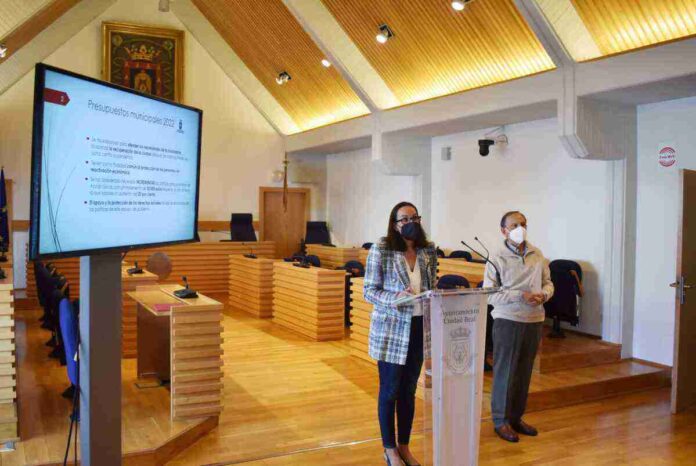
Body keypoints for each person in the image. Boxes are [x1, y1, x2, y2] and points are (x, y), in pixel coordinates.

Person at [364, 202, 438, 466]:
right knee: (390, 390)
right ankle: (389, 449)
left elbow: (431, 285)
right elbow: (369, 291)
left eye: (414, 217)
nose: (410, 222)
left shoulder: (428, 250)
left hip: (418, 328)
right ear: (394, 224)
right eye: (404, 219)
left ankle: (404, 446)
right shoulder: (382, 249)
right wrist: (396, 297)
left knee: (408, 391)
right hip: (391, 331)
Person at [483, 211, 554, 443]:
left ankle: (516, 417)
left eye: (523, 224)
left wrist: (544, 295)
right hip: (508, 319)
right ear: (503, 230)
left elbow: (548, 283)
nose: (519, 228)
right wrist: (519, 295)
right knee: (505, 371)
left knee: (524, 372)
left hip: (534, 318)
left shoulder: (537, 254)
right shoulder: (496, 257)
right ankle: (500, 420)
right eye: (514, 225)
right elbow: (489, 294)